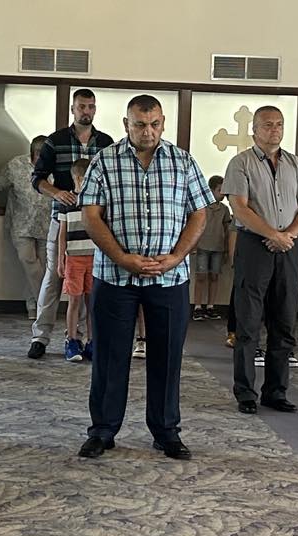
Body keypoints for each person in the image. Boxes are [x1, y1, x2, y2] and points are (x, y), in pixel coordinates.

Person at [75, 94, 212, 460]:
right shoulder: (104, 161)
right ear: (126, 125)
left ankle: (166, 431)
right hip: (115, 277)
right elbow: (91, 215)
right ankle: (103, 431)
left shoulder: (183, 162)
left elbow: (200, 214)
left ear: (163, 123)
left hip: (169, 278)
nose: (148, 132)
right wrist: (122, 258)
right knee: (110, 357)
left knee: (167, 358)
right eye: (139, 125)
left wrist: (176, 257)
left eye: (154, 124)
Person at [224, 105, 298, 415]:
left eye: (279, 124)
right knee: (248, 324)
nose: (274, 129)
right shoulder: (241, 163)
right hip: (255, 246)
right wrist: (272, 234)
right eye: (267, 125)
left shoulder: (295, 164)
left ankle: (276, 392)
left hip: (289, 246)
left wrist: (287, 235)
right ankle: (245, 393)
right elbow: (240, 208)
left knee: (284, 321)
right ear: (255, 130)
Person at [30, 89, 113, 359]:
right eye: (81, 107)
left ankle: (80, 338)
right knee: (54, 278)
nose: (86, 111)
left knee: (89, 283)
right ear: (72, 109)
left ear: (95, 109)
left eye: (90, 107)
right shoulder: (55, 141)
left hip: (95, 223)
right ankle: (40, 336)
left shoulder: (106, 143)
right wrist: (57, 193)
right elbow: (37, 178)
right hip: (63, 218)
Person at [0, 136, 50, 319]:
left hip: (47, 225)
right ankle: (45, 305)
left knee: (44, 268)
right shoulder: (16, 165)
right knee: (29, 263)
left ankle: (33, 306)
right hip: (21, 225)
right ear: (34, 153)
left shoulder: (54, 167)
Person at [58, 159, 97, 362]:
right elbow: (62, 234)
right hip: (74, 258)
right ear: (77, 178)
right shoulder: (67, 203)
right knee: (74, 301)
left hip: (94, 258)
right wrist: (60, 259)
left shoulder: (96, 201)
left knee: (92, 302)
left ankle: (92, 341)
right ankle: (72, 340)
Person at [191, 175, 232, 321]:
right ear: (211, 190)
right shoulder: (202, 207)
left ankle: (210, 306)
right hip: (202, 246)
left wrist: (227, 249)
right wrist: (193, 245)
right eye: (220, 190)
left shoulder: (224, 210)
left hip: (218, 248)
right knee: (201, 276)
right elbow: (195, 226)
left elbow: (227, 230)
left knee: (214, 276)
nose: (223, 193)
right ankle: (197, 307)